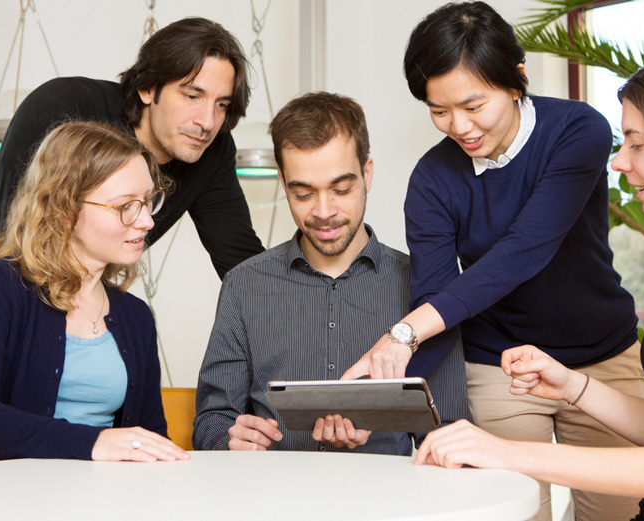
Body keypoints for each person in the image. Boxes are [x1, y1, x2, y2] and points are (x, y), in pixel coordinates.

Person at [343, 2, 644, 520]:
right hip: (499, 369)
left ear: (516, 79)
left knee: (625, 512)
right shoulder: (432, 180)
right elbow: (437, 298)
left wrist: (403, 334)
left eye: (473, 105)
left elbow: (525, 251)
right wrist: (384, 398)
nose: (458, 127)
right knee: (515, 512)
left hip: (603, 358)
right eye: (439, 111)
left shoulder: (578, 131)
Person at [415, 46, 644, 521]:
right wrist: (572, 385)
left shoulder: (570, 130)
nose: (619, 162)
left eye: (636, 143)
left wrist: (503, 452)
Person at [193, 92, 469, 453]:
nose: (324, 211)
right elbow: (211, 422)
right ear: (283, 182)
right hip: (275, 503)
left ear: (367, 174)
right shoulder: (244, 286)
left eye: (341, 189)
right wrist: (228, 438)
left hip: (386, 505)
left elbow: (449, 431)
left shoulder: (424, 288)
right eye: (304, 194)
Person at [0, 17, 264, 284]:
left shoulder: (212, 151)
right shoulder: (64, 106)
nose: (207, 122)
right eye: (192, 95)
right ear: (147, 88)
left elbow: (243, 265)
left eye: (221, 104)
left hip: (59, 290)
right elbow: (24, 243)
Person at [0, 121, 190, 464]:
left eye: (148, 201)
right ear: (65, 209)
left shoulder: (136, 316)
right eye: (126, 205)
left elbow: (149, 437)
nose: (147, 221)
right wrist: (92, 443)